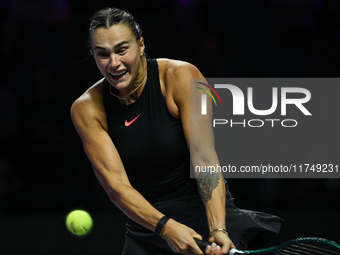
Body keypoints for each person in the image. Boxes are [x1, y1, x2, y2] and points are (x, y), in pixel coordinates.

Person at [71, 7, 283, 255]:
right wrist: (165, 227)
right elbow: (117, 188)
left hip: (206, 214)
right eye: (102, 54)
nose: (114, 63)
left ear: (140, 45)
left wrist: (218, 230)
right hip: (148, 228)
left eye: (121, 50)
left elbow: (204, 158)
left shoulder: (181, 76)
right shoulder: (86, 109)